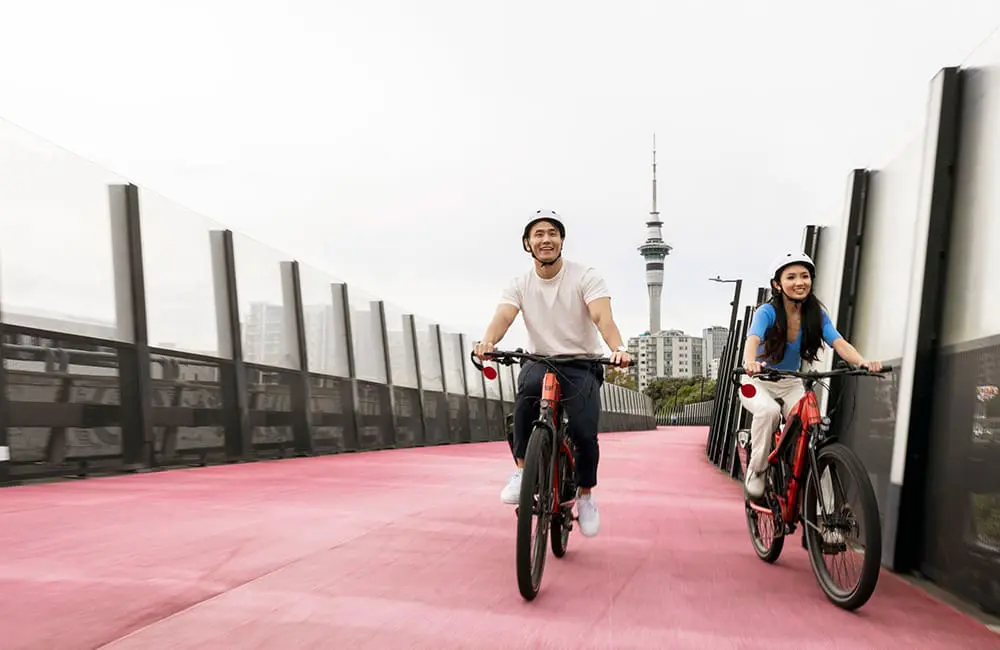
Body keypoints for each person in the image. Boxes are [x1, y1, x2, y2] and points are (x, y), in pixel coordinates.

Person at [473, 209, 631, 538]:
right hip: (540, 359)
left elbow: (602, 318)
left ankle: (585, 496)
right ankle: (522, 472)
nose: (546, 239)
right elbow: (503, 317)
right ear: (527, 244)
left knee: (585, 432)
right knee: (524, 401)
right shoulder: (519, 283)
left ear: (561, 241)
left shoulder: (586, 276)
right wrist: (488, 342)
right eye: (538, 234)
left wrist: (617, 348)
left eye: (552, 233)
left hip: (581, 362)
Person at [739, 251, 882, 501]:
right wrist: (751, 363)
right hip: (757, 380)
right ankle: (757, 470)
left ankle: (816, 494)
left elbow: (838, 342)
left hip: (791, 381)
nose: (799, 282)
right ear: (777, 284)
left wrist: (862, 362)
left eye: (804, 276)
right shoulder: (767, 312)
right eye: (791, 277)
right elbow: (753, 338)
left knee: (811, 424)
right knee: (769, 412)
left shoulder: (815, 314)